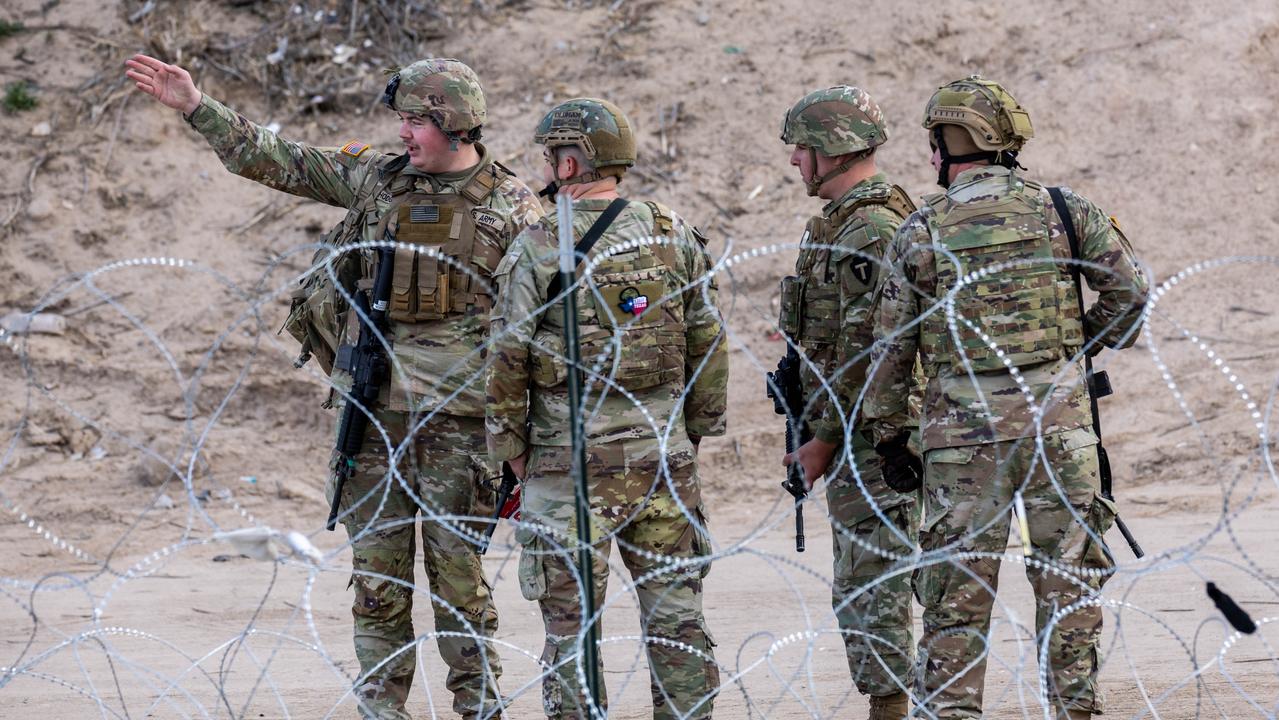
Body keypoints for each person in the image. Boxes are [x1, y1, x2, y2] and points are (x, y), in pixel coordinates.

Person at [125, 53, 544, 720]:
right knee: (376, 586)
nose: (403, 134)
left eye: (415, 121)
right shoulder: (379, 184)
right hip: (373, 422)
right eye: (402, 120)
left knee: (460, 589)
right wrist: (197, 106)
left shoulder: (515, 208)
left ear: (454, 124)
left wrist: (527, 441)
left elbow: (541, 333)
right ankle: (382, 709)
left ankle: (480, 707)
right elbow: (280, 161)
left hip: (462, 434)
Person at [863, 75, 1149, 719]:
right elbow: (1129, 300)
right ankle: (1074, 710)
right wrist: (1071, 349)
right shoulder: (1066, 210)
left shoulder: (921, 229)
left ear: (948, 142)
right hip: (1059, 430)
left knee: (954, 600)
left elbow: (889, 354)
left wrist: (889, 436)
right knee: (1068, 587)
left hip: (962, 446)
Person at [485, 98, 728, 719]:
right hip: (660, 456)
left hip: (567, 464)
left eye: (550, 156)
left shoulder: (539, 243)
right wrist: (690, 433)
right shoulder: (671, 232)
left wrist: (512, 454)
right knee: (677, 622)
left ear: (570, 162)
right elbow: (707, 339)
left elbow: (507, 357)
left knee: (571, 631)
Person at [775, 85, 921, 720]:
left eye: (802, 149)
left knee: (874, 587)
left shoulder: (872, 228)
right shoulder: (839, 222)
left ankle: (896, 709)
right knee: (864, 584)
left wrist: (825, 442)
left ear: (832, 149)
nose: (794, 162)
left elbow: (871, 351)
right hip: (854, 430)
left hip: (875, 438)